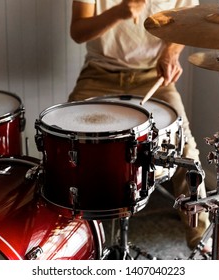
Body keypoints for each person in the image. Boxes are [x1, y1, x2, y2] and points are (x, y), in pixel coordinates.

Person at [69, 0, 209, 251]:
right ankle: (67, 241)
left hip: (152, 77)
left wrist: (171, 52)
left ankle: (201, 240)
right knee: (70, 145)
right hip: (99, 74)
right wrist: (118, 12)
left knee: (185, 151)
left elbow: (185, 24)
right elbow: (78, 32)